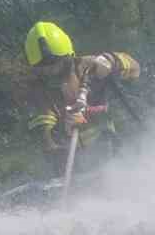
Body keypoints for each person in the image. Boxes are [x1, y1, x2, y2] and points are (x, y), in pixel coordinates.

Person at [23, 21, 140, 179]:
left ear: (68, 57)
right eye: (42, 68)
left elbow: (135, 69)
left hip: (114, 150)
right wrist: (62, 131)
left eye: (54, 64)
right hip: (74, 166)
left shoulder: (89, 66)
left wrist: (113, 61)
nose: (50, 72)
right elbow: (44, 136)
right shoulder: (39, 91)